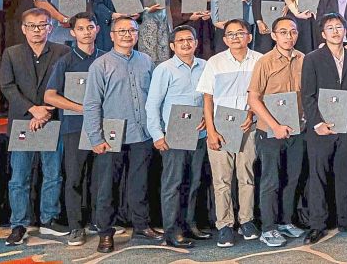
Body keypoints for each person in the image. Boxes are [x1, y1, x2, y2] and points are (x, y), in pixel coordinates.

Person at [84, 17, 157, 253]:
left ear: (137, 34)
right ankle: (106, 232)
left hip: (142, 133)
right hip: (110, 136)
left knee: (140, 183)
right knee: (107, 186)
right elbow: (92, 103)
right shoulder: (101, 65)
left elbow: (155, 99)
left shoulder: (146, 61)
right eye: (122, 31)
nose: (127, 34)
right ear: (112, 35)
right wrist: (96, 138)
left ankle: (141, 225)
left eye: (132, 30)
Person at [0, 8, 72, 246]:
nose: (37, 30)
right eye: (32, 26)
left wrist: (45, 111)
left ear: (50, 27)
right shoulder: (11, 53)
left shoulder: (63, 51)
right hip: (23, 120)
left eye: (42, 25)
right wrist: (33, 110)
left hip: (51, 120)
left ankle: (49, 219)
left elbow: (65, 86)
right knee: (18, 178)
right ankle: (18, 224)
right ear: (23, 28)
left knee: (53, 175)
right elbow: (7, 87)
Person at [195, 19, 262, 247]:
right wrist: (211, 131)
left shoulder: (260, 61)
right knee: (222, 180)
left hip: (247, 125)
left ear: (249, 37)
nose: (235, 37)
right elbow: (207, 98)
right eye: (230, 34)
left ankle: (247, 221)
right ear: (224, 40)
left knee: (247, 177)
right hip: (221, 127)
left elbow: (261, 94)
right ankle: (224, 225)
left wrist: (252, 114)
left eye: (240, 33)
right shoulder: (215, 62)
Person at [300, 13, 347, 242]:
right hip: (320, 127)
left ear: (345, 30)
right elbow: (307, 96)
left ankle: (346, 219)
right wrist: (317, 123)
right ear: (323, 33)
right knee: (318, 176)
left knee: (345, 173)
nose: (336, 31)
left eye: (339, 27)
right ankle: (317, 224)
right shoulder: (312, 58)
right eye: (330, 28)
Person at [43, 12, 107, 246]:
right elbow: (50, 96)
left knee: (100, 177)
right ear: (73, 33)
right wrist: (82, 108)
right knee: (74, 177)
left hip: (102, 127)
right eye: (81, 28)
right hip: (74, 127)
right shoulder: (66, 61)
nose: (86, 32)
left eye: (90, 27)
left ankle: (100, 222)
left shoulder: (105, 59)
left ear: (97, 29)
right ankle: (75, 227)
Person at [144, 26, 208, 248]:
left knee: (195, 181)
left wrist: (208, 120)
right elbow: (152, 104)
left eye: (190, 39)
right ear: (172, 46)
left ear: (196, 43)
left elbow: (211, 99)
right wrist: (157, 135)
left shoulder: (205, 66)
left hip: (199, 133)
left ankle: (189, 224)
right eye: (180, 41)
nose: (186, 44)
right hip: (173, 134)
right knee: (173, 183)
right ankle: (171, 231)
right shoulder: (165, 69)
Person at [247, 17, 307, 247]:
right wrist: (274, 125)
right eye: (283, 32)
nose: (288, 36)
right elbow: (253, 99)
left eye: (292, 32)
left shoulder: (303, 59)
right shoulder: (265, 62)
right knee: (271, 180)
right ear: (273, 35)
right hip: (270, 131)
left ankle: (285, 221)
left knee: (291, 178)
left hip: (296, 130)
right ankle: (268, 228)